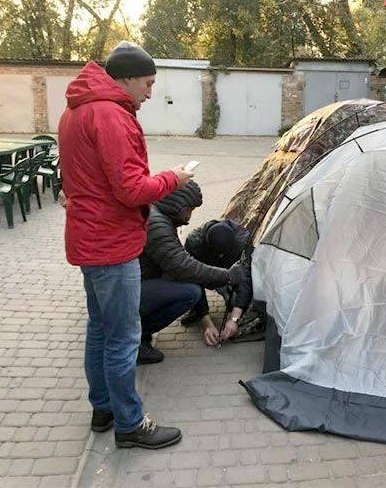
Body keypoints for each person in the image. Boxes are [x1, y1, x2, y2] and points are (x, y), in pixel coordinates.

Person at [58, 41, 193, 450]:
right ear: (128, 78)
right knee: (122, 337)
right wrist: (173, 179)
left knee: (100, 328)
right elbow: (133, 189)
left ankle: (103, 408)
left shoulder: (76, 109)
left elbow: (78, 177)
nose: (150, 93)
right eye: (148, 84)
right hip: (112, 244)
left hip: (88, 237)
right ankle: (130, 425)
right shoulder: (111, 115)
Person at [138, 181, 252, 363]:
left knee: (188, 285)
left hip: (134, 282)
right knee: (189, 291)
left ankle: (135, 332)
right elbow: (186, 269)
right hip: (130, 288)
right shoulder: (160, 226)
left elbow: (244, 279)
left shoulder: (158, 218)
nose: (190, 216)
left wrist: (234, 319)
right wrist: (206, 321)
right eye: (189, 209)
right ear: (178, 206)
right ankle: (136, 335)